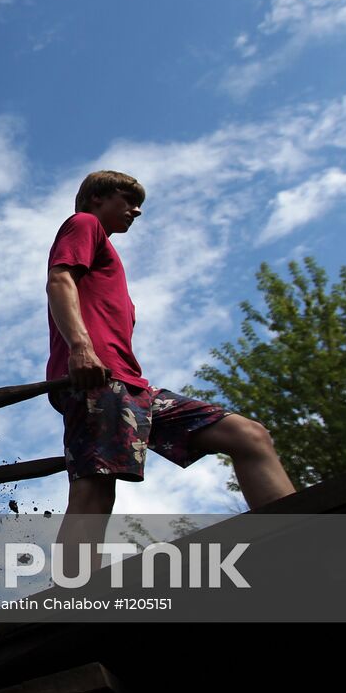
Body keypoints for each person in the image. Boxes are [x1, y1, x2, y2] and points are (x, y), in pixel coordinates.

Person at [45, 171, 296, 573]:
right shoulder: (84, 224)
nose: (137, 210)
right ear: (95, 199)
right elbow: (59, 280)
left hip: (134, 387)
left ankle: (302, 542)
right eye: (126, 199)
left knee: (248, 435)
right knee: (95, 488)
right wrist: (80, 346)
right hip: (97, 379)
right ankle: (70, 597)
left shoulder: (108, 257)